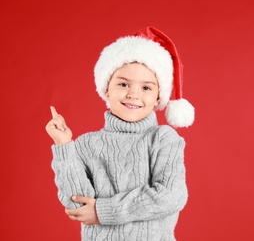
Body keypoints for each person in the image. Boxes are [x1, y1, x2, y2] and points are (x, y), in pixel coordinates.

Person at [45, 26, 195, 241]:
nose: (133, 94)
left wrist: (103, 211)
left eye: (146, 88)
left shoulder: (163, 139)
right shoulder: (86, 144)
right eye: (123, 84)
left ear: (158, 97)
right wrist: (63, 145)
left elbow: (171, 195)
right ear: (107, 89)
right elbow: (77, 204)